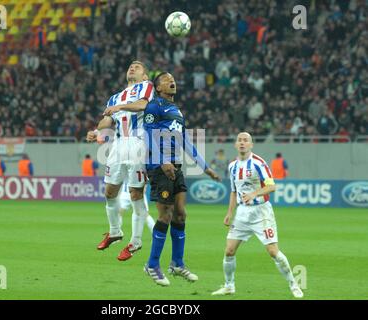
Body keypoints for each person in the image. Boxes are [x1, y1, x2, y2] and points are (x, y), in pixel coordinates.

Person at [105, 72, 220, 286]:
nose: (172, 80)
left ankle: (177, 263)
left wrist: (206, 168)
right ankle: (152, 265)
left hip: (175, 167)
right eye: (166, 79)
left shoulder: (177, 111)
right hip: (159, 167)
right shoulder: (154, 106)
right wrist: (162, 161)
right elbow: (148, 135)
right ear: (158, 88)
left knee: (181, 215)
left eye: (173, 78)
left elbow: (185, 141)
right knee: (165, 215)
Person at [211, 132, 303, 298]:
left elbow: (272, 186)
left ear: (251, 145)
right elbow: (233, 191)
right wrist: (229, 213)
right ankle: (229, 286)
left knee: (273, 251)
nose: (242, 143)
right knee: (229, 251)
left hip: (261, 212)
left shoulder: (258, 164)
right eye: (239, 140)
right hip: (242, 214)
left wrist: (254, 194)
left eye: (246, 140)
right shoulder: (232, 166)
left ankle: (294, 284)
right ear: (235, 144)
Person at [86, 61, 155, 261]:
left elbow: (143, 105)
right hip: (118, 144)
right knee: (109, 191)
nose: (132, 68)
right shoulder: (115, 97)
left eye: (138, 67)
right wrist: (97, 131)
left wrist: (119, 107)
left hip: (139, 143)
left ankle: (135, 241)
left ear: (144, 76)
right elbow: (108, 120)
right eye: (130, 66)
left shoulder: (146, 87)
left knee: (135, 193)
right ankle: (115, 231)